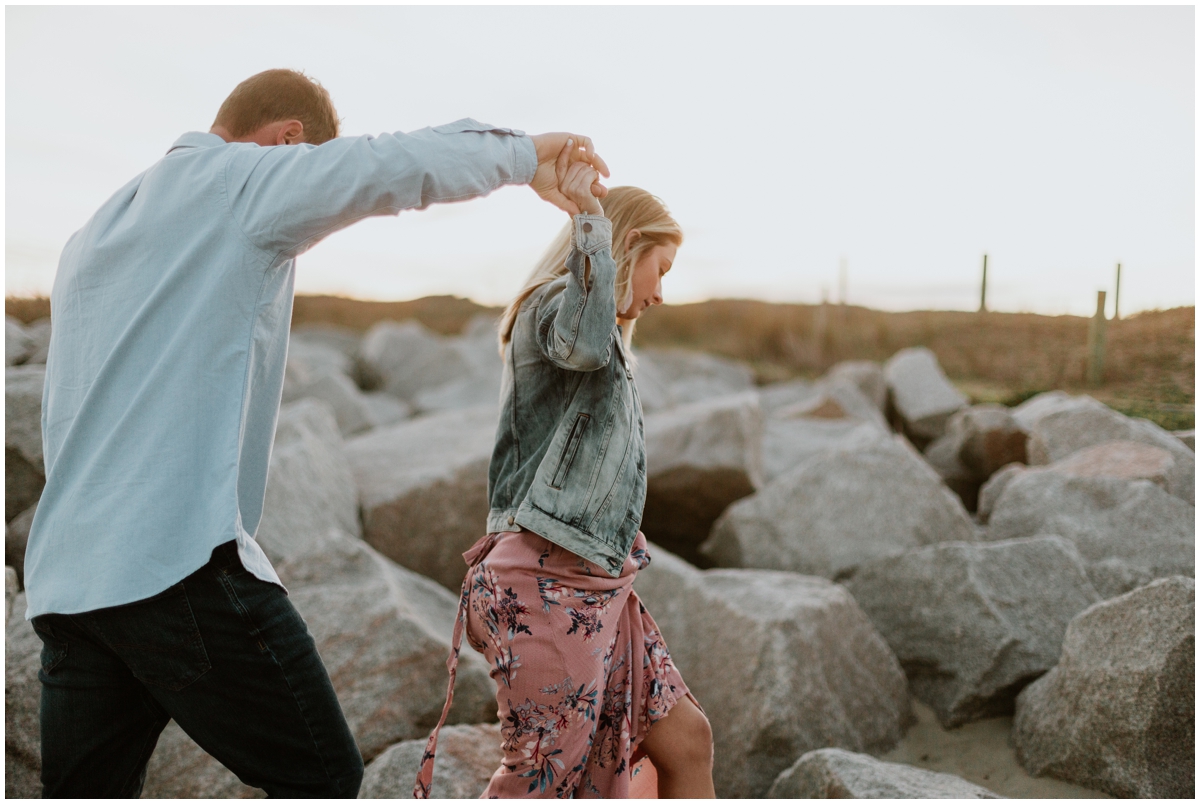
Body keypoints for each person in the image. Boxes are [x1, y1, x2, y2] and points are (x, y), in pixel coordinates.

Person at [22, 68, 610, 798]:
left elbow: (64, 410)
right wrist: (525, 156)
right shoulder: (241, 182)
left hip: (70, 582)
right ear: (288, 142)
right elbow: (385, 165)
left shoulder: (94, 232)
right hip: (171, 566)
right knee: (325, 780)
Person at [414, 156, 716, 798]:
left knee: (687, 738)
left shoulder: (606, 338)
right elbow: (580, 342)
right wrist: (590, 221)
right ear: (625, 246)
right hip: (542, 586)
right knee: (541, 781)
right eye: (659, 269)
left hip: (599, 583)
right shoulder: (555, 308)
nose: (661, 293)